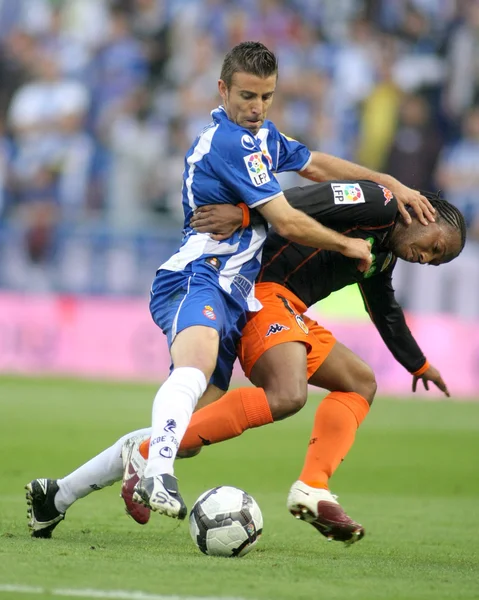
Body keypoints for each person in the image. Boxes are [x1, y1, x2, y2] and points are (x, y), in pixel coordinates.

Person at [25, 181, 464, 542]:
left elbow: (382, 306)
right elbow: (300, 201)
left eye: (436, 261)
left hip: (287, 308)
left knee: (359, 383)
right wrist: (246, 216)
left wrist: (417, 363)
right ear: (426, 214)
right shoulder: (379, 201)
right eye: (435, 247)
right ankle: (148, 452)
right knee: (287, 393)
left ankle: (59, 495)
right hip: (259, 290)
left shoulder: (383, 252)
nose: (427, 259)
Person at [113, 40, 434, 521]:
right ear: (223, 90)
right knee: (275, 394)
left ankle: (309, 486)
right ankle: (152, 461)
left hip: (252, 293)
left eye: (266, 97)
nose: (257, 107)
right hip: (232, 283)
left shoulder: (265, 139)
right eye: (247, 96)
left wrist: (417, 361)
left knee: (357, 382)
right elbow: (295, 211)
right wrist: (345, 238)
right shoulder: (231, 141)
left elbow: (317, 164)